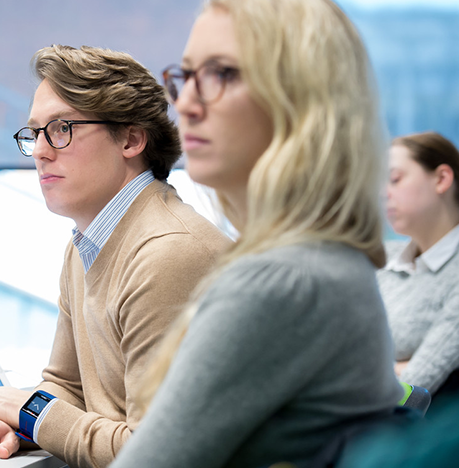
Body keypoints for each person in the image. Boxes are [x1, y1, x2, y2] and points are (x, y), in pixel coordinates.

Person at [110, 1, 404, 467]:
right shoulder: (326, 260)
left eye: (222, 73)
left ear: (303, 97)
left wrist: (36, 417)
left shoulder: (281, 280)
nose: (184, 103)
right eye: (186, 77)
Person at [0, 45, 231, 467]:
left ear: (130, 139)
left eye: (60, 129)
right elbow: (67, 387)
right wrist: (15, 428)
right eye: (34, 132)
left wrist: (29, 413)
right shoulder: (86, 244)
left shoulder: (169, 252)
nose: (39, 150)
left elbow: (158, 453)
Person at [378, 131, 459, 397]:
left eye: (394, 180)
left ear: (442, 179)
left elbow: (412, 394)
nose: (383, 193)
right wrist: (396, 369)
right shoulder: (382, 257)